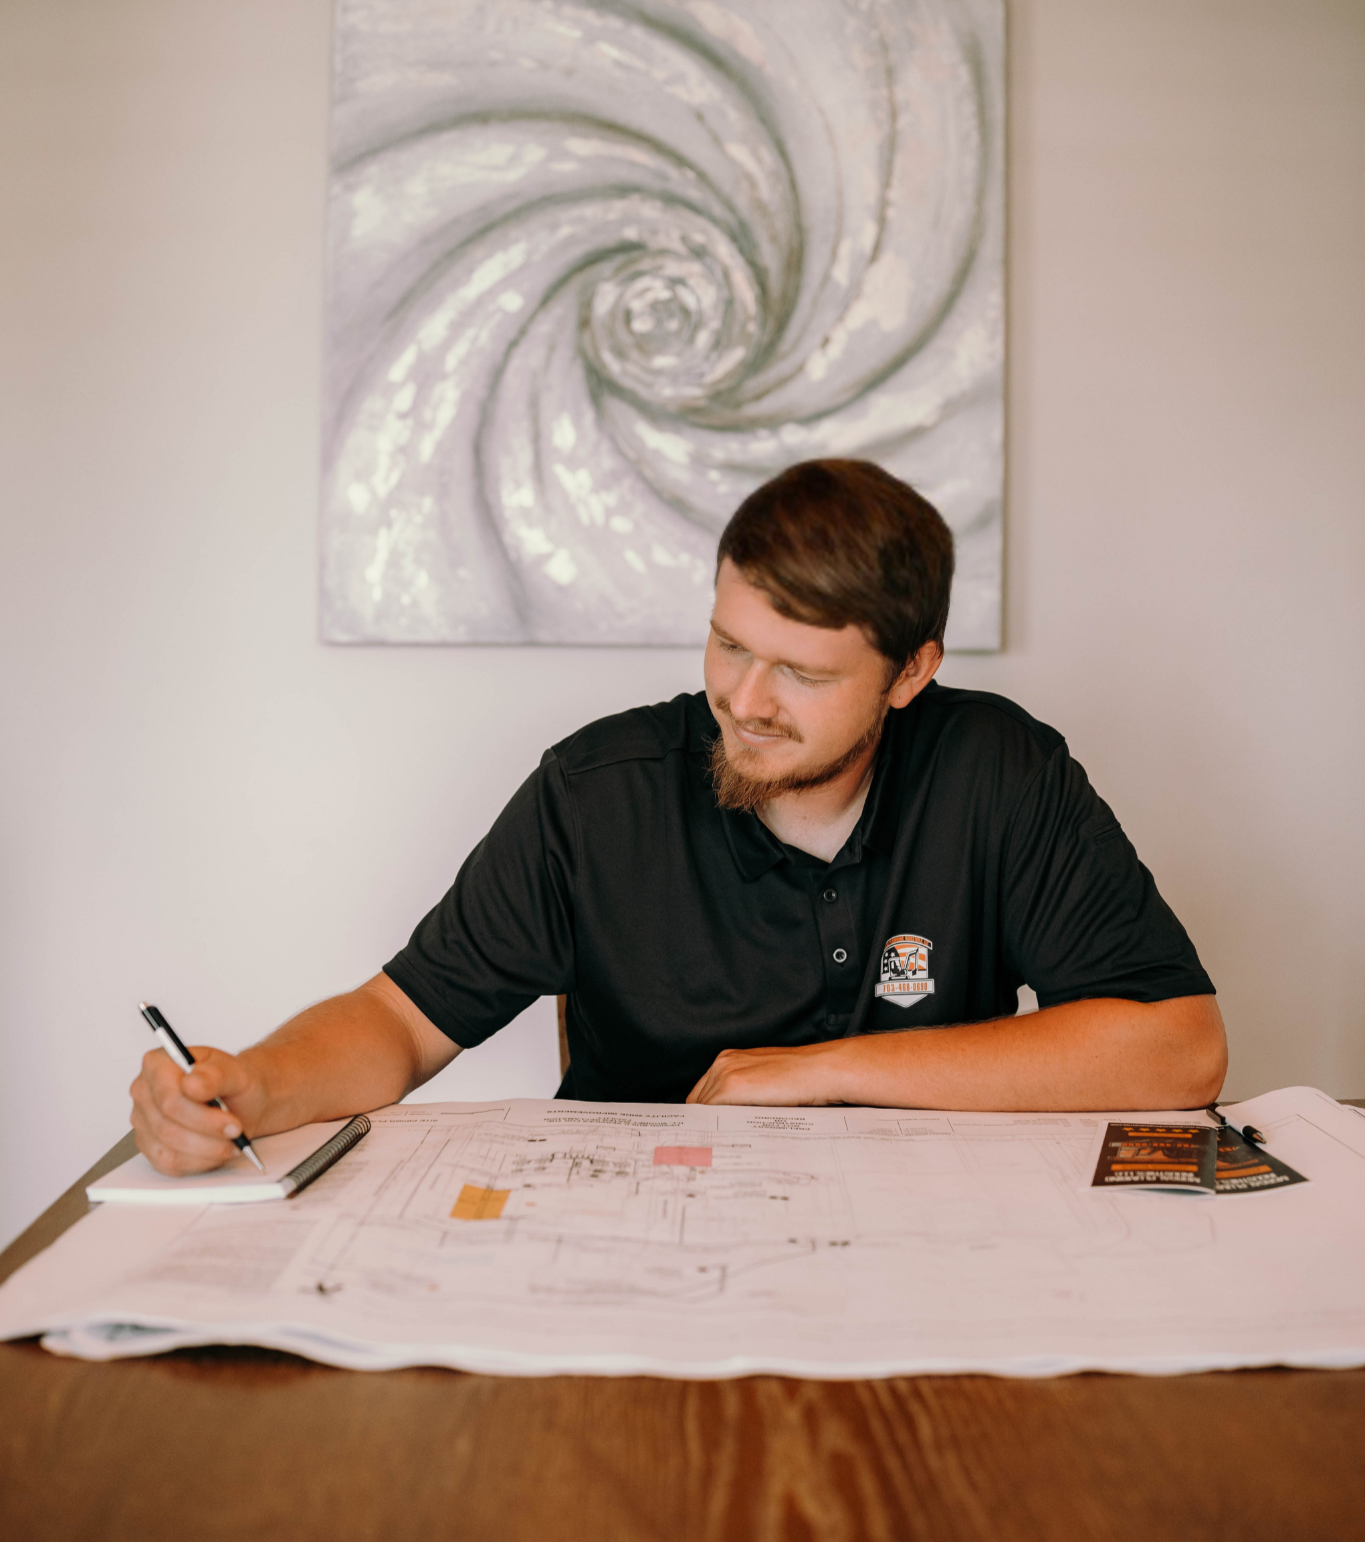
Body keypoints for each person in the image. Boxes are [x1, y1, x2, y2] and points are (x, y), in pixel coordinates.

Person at [130, 460, 1227, 1174]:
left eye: (800, 671)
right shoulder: (594, 791)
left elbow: (1180, 1049)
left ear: (909, 674)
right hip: (641, 1265)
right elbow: (404, 1020)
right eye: (730, 643)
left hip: (926, 1283)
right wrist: (254, 1083)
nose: (745, 700)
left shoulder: (999, 770)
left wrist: (822, 1068)